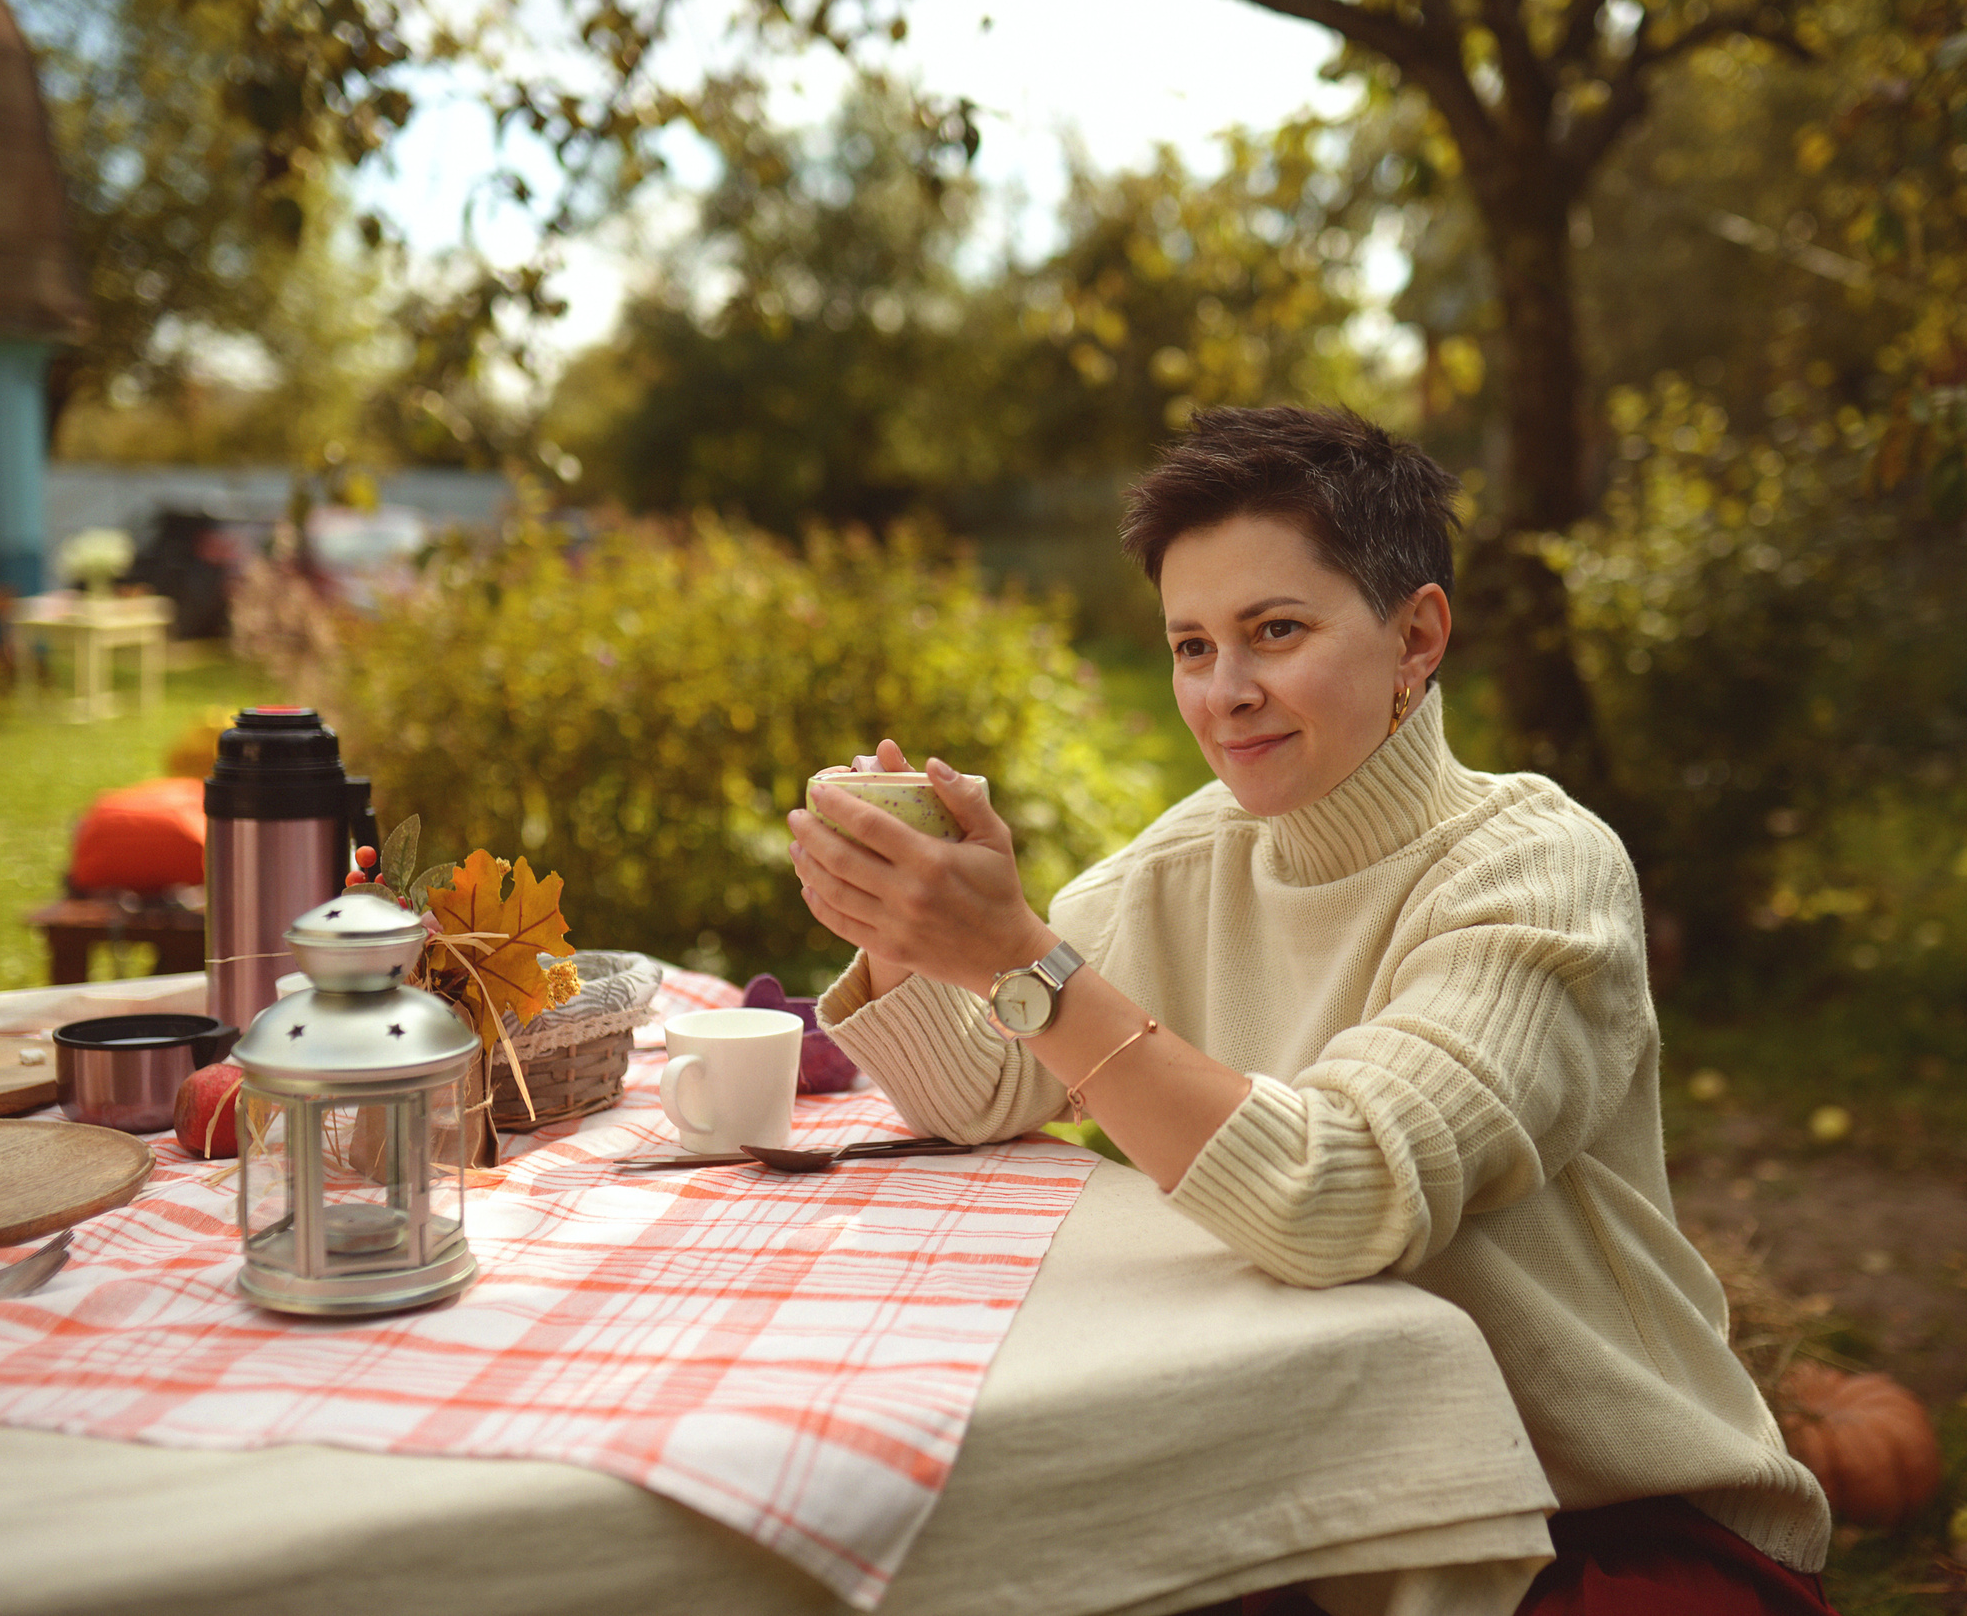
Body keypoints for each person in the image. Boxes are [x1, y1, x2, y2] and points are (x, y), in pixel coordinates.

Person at [787, 406, 1837, 1615]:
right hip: (1323, 1486)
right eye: (1190, 646)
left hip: (1610, 1523)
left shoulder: (1536, 871)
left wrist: (1022, 957)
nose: (1225, 693)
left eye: (1273, 631)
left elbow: (1346, 1198)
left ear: (1416, 635)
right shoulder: (1197, 857)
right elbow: (980, 1091)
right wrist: (906, 931)